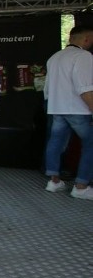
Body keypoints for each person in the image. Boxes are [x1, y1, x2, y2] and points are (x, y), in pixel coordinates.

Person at [42, 25, 93, 200]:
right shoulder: (84, 56)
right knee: (91, 144)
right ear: (86, 39)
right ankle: (81, 185)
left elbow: (47, 89)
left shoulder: (54, 57)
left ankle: (54, 181)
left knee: (55, 143)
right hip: (78, 109)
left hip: (56, 107)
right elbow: (85, 88)